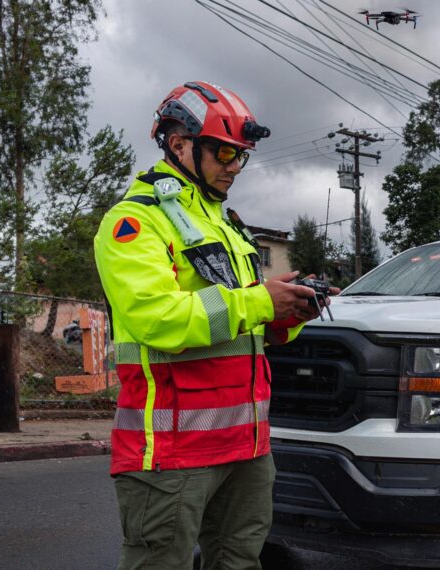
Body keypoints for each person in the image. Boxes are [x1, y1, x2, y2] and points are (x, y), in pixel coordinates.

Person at [94, 81, 332, 569]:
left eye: (240, 155)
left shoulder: (228, 226)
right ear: (178, 144)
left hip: (246, 448)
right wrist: (261, 300)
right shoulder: (135, 223)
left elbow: (244, 325)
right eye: (224, 152)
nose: (234, 167)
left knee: (240, 562)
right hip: (173, 452)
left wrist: (289, 315)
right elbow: (160, 321)